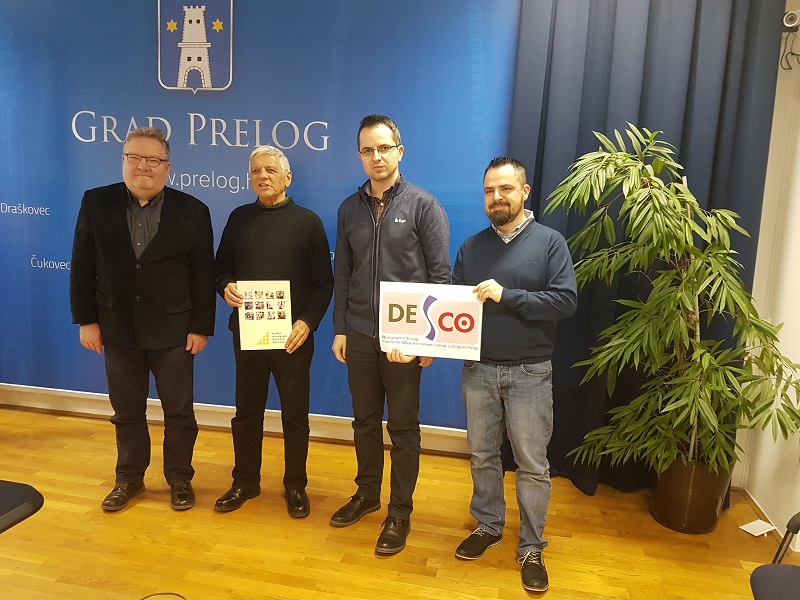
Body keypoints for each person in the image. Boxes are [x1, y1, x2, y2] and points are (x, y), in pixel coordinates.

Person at [70, 127, 215, 512]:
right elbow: (82, 265)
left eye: (153, 160)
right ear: (123, 161)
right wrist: (87, 320)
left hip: (174, 331)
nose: (143, 166)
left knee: (179, 412)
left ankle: (179, 478)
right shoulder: (96, 202)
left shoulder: (194, 210)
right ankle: (129, 478)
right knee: (127, 412)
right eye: (134, 158)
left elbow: (203, 274)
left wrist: (201, 327)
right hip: (117, 328)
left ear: (167, 167)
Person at [452, 157, 577, 592]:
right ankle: (488, 525)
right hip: (478, 369)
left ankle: (531, 546)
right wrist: (420, 342)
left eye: (505, 189)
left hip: (529, 372)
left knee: (532, 465)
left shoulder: (550, 242)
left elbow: (564, 302)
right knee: (482, 456)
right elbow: (452, 307)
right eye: (489, 191)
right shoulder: (471, 247)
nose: (496, 198)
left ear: (524, 192)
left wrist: (508, 296)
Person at [330, 114, 450, 554]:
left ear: (399, 151)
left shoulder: (424, 205)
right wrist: (340, 329)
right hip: (359, 332)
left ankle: (399, 512)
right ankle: (367, 495)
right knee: (364, 422)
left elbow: (440, 276)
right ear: (359, 155)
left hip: (405, 338)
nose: (376, 157)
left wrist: (429, 340)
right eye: (367, 150)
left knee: (402, 428)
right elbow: (343, 274)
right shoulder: (349, 208)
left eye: (383, 148)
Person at [214, 146, 333, 517]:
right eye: (255, 171)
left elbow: (324, 282)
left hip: (293, 338)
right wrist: (226, 287)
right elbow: (221, 269)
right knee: (246, 412)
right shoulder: (238, 218)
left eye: (269, 170)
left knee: (295, 417)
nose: (262, 176)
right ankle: (245, 481)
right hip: (248, 335)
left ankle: (295, 485)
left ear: (287, 177)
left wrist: (307, 322)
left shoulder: (308, 222)